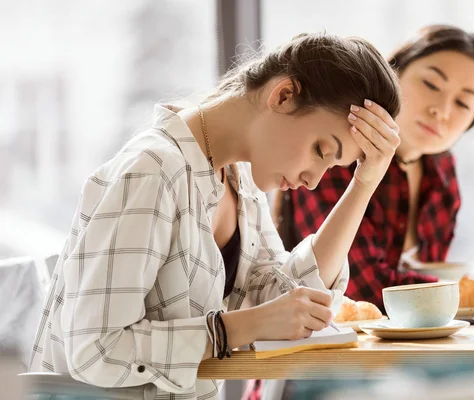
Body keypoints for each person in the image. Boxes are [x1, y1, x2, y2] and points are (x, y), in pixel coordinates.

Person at [28, 32, 403, 400]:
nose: (312, 181)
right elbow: (94, 350)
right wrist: (233, 330)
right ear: (283, 96)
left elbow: (281, 299)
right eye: (321, 150)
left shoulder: (238, 180)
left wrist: (364, 185)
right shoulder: (153, 171)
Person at [274, 25, 474, 315]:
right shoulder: (340, 152)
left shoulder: (440, 170)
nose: (441, 110)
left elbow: (428, 287)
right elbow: (363, 290)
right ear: (394, 71)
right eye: (431, 84)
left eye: (462, 103)